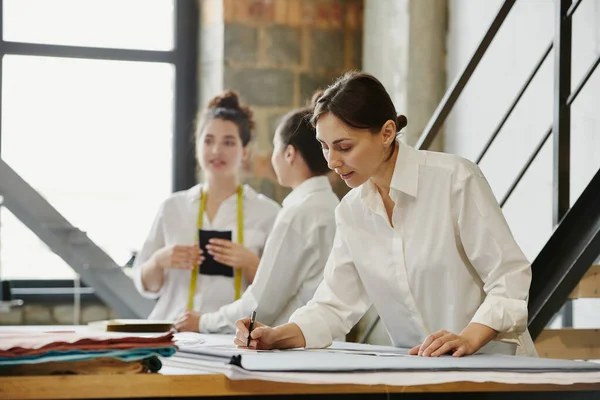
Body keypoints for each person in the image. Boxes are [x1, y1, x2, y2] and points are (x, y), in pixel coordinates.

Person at [234, 71, 538, 357]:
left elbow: (509, 278)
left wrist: (469, 337)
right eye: (325, 147)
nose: (333, 161)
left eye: (344, 146)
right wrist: (276, 336)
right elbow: (333, 306)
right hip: (421, 379)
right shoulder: (351, 213)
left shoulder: (455, 180)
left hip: (494, 369)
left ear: (387, 133)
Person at [174, 104, 340, 333]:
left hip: (295, 345)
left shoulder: (296, 213)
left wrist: (203, 322)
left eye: (274, 147)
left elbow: (261, 304)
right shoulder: (333, 205)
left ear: (289, 154)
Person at [133, 91, 281, 321]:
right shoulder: (172, 208)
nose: (216, 151)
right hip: (172, 332)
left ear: (245, 152)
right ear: (198, 145)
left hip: (232, 337)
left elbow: (278, 295)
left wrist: (251, 263)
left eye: (228, 142)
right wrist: (160, 260)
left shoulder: (268, 213)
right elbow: (147, 286)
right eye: (208, 140)